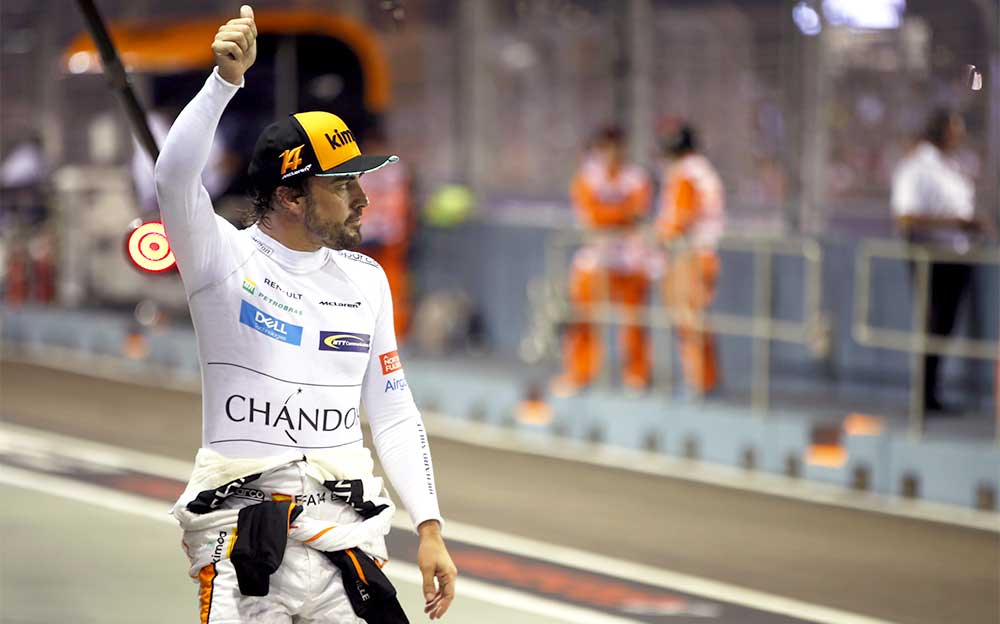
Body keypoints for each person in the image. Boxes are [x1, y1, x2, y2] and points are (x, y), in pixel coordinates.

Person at [153, 6, 456, 621]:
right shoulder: (222, 258)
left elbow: (393, 411)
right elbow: (173, 177)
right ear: (291, 195)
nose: (362, 198)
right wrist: (224, 82)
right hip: (242, 543)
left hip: (348, 536)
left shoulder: (367, 280)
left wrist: (429, 526)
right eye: (342, 185)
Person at [891, 108, 981, 413]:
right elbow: (905, 216)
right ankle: (923, 395)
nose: (961, 137)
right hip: (931, 256)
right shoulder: (916, 167)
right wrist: (955, 223)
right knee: (933, 325)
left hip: (956, 255)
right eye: (956, 130)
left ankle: (931, 392)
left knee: (944, 327)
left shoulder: (950, 166)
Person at [552, 126, 652, 393]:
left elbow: (637, 211)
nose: (611, 153)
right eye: (606, 148)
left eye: (616, 147)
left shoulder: (635, 178)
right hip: (595, 256)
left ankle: (637, 376)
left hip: (629, 257)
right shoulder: (588, 178)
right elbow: (591, 215)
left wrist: (613, 215)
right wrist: (619, 214)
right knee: (582, 318)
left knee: (635, 321)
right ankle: (580, 373)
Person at [656, 124, 725, 397]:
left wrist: (655, 235)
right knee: (697, 320)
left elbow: (678, 219)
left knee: (687, 321)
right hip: (704, 253)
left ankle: (697, 383)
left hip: (690, 255)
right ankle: (704, 380)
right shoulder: (703, 171)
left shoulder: (686, 173)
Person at [356, 127, 414, 342]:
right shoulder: (367, 169)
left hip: (388, 237)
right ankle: (370, 329)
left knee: (391, 286)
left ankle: (395, 332)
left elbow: (402, 205)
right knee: (363, 284)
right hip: (369, 234)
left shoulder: (394, 170)